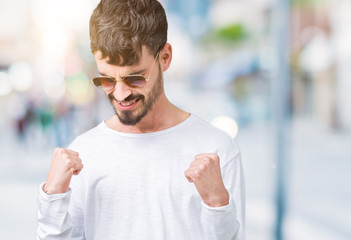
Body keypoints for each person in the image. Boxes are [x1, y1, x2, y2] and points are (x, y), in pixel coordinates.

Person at [36, 0, 245, 239]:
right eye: (106, 80)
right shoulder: (83, 153)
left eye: (135, 78)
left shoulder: (217, 150)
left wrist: (217, 204)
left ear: (165, 57)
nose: (121, 94)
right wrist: (52, 197)